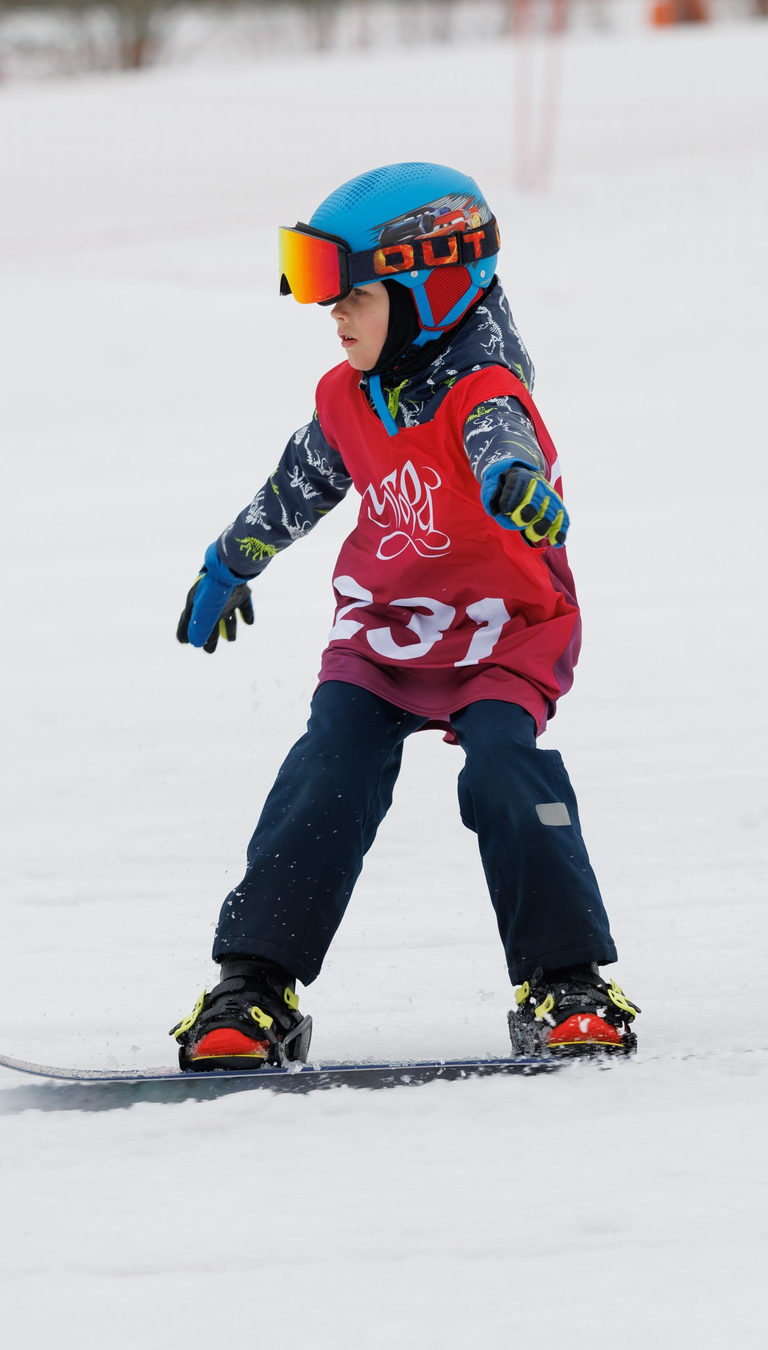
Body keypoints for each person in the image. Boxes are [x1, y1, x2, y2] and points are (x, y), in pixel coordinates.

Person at [167, 162, 638, 1070]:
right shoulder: (349, 394)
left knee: (505, 770)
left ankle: (568, 980)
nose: (330, 313)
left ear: (434, 286)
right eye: (319, 292)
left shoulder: (484, 390)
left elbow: (503, 438)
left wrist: (518, 484)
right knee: (328, 769)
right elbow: (298, 485)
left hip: (504, 632)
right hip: (385, 632)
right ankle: (253, 988)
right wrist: (233, 559)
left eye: (350, 294)